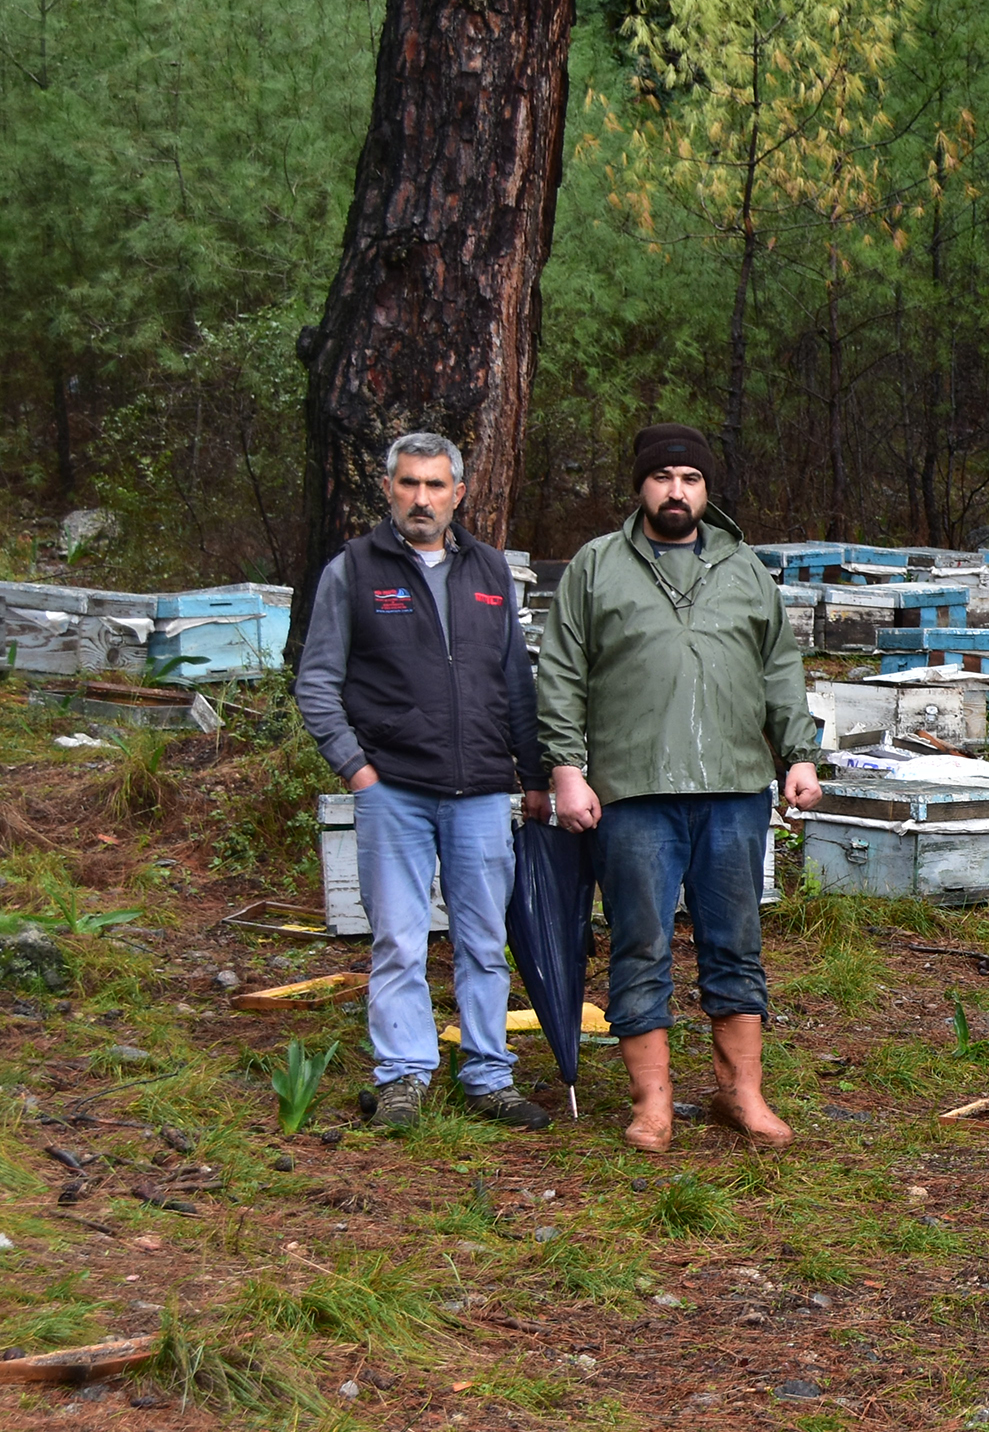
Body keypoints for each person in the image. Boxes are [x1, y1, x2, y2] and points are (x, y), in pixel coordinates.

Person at [535, 423, 823, 1153]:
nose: (676, 490)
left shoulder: (744, 567)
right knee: (641, 941)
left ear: (705, 489)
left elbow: (779, 666)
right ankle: (652, 1104)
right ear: (640, 486)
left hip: (733, 787)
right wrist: (567, 768)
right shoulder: (597, 565)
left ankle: (741, 1095)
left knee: (736, 941)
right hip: (633, 791)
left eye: (689, 478)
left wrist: (798, 752)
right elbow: (562, 672)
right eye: (662, 477)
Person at [294, 432, 552, 1133]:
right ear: (388, 489)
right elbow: (317, 683)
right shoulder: (353, 568)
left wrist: (531, 777)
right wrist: (359, 771)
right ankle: (403, 1076)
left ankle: (488, 1075)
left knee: (482, 939)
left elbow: (515, 686)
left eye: (436, 486)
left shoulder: (490, 570)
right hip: (395, 790)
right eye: (408, 484)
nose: (421, 498)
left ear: (458, 494)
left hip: (480, 792)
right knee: (400, 941)